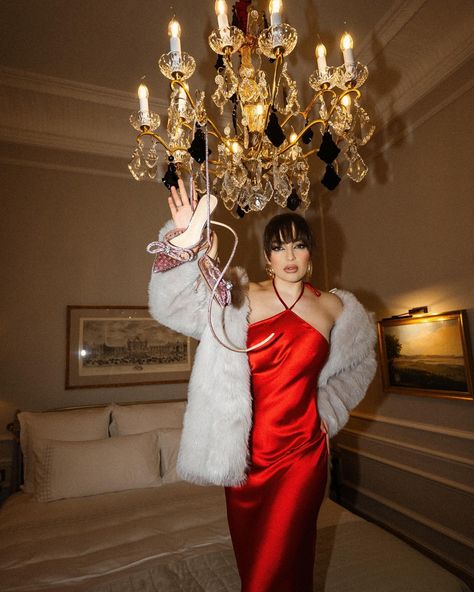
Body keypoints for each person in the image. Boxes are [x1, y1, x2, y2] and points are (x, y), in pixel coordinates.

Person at [148, 180, 377, 592]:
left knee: (284, 559)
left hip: (303, 454)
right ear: (267, 256)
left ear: (310, 253)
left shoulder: (335, 307)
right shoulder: (240, 296)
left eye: (298, 245)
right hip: (247, 458)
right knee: (255, 562)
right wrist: (185, 244)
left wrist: (330, 411)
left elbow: (359, 367)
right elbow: (173, 307)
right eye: (278, 247)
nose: (289, 256)